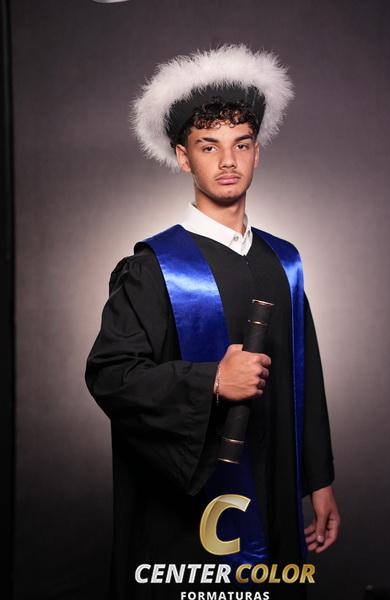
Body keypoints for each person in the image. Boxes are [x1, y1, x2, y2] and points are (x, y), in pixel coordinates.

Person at [85, 44, 340, 600]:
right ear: (183, 157)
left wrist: (318, 480)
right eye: (209, 146)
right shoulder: (155, 268)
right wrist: (212, 382)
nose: (228, 160)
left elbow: (306, 376)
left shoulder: (283, 262)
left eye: (241, 144)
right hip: (187, 510)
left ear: (256, 153)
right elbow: (110, 374)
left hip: (273, 485)